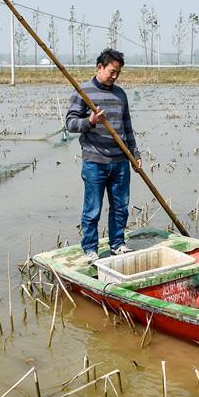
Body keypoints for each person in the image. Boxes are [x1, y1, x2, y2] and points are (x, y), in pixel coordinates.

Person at [65, 48, 141, 263]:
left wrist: (134, 153)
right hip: (95, 161)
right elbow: (70, 124)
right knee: (93, 209)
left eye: (118, 72)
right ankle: (90, 248)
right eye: (112, 71)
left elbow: (127, 126)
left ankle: (117, 244)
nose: (115, 76)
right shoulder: (84, 92)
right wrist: (90, 122)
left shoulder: (120, 94)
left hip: (120, 161)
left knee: (120, 207)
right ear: (100, 67)